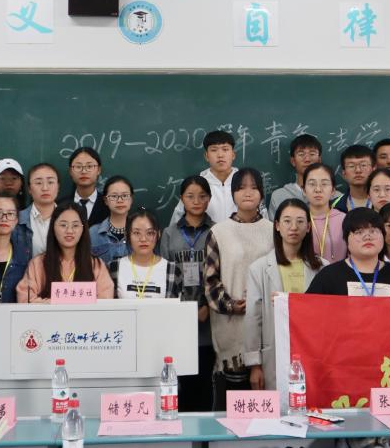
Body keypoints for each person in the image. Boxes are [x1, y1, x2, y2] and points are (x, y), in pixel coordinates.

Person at [204, 168, 274, 409]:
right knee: (234, 406)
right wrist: (232, 305)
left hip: (267, 322)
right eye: (241, 188)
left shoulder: (273, 230)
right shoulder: (218, 232)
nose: (248, 193)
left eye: (254, 187)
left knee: (267, 403)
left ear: (261, 193)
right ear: (233, 193)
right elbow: (210, 281)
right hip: (231, 325)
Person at [244, 199, 323, 391]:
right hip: (275, 353)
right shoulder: (259, 269)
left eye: (300, 221)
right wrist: (255, 365)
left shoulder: (323, 268)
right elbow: (253, 318)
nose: (293, 227)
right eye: (287, 221)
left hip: (313, 351)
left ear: (308, 227)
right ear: (277, 226)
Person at [160, 175, 215, 412]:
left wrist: (206, 305)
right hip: (178, 316)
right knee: (180, 382)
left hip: (208, 316)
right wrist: (181, 310)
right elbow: (164, 274)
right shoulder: (169, 233)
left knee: (205, 379)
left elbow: (220, 272)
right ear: (181, 198)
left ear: (209, 199)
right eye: (190, 196)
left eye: (202, 196)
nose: (196, 201)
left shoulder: (217, 231)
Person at [306, 207, 390, 297]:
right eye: (359, 232)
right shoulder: (328, 277)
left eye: (373, 231)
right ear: (346, 239)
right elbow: (307, 310)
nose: (367, 237)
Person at [16, 203, 114, 302]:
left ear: (83, 229)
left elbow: (105, 301)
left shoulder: (96, 265)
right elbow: (25, 298)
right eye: (63, 225)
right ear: (53, 227)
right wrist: (52, 305)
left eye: (75, 225)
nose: (69, 231)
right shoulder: (38, 263)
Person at [109, 209, 183, 299]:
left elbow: (181, 305)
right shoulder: (114, 267)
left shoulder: (172, 269)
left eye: (150, 233)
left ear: (158, 234)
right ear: (127, 235)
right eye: (136, 233)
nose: (143, 239)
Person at [173, 131, 239, 224]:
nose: (220, 155)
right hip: (206, 234)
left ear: (233, 155)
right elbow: (177, 221)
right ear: (206, 156)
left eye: (225, 149)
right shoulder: (196, 186)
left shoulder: (245, 184)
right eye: (214, 150)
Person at [267, 134, 322, 218]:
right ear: (293, 161)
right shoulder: (279, 196)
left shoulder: (333, 196)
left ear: (319, 160)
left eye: (312, 154)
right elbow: (273, 226)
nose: (307, 159)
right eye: (301, 154)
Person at [303, 163, 346, 264]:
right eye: (312, 184)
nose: (318, 189)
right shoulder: (298, 220)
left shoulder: (344, 220)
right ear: (304, 190)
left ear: (333, 191)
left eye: (324, 184)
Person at [59, 148, 109, 227]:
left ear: (99, 170)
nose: (84, 171)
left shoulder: (109, 205)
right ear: (70, 171)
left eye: (89, 166)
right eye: (78, 166)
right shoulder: (59, 205)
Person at [18, 163, 60, 257]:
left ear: (58, 187)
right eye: (38, 183)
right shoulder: (17, 220)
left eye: (50, 182)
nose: (45, 188)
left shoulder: (70, 218)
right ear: (29, 189)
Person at [89, 176, 132, 265]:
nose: (120, 200)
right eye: (114, 196)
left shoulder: (143, 232)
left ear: (131, 199)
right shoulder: (93, 233)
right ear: (106, 200)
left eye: (125, 195)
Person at [334, 145, 375, 212]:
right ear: (344, 173)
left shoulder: (385, 202)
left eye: (363, 165)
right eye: (351, 166)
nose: (358, 170)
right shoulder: (333, 206)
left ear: (373, 170)